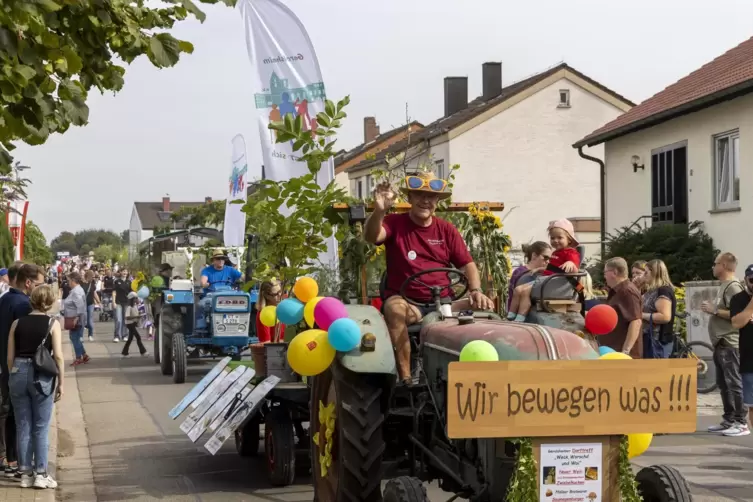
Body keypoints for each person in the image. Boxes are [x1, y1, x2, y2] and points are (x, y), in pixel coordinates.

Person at [363, 172, 494, 384]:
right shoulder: (394, 223)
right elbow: (372, 236)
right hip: (409, 303)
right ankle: (406, 378)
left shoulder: (446, 229)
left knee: (486, 308)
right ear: (410, 198)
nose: (425, 200)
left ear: (437, 201)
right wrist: (379, 211)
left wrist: (476, 290)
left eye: (431, 196)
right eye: (420, 194)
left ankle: (482, 378)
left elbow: (467, 264)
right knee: (394, 309)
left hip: (445, 304)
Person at [6, 284, 63, 489]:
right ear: (49, 302)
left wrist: (14, 375)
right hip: (42, 377)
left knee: (23, 425)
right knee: (40, 427)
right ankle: (41, 473)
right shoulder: (53, 324)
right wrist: (61, 383)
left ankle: (25, 474)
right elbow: (58, 356)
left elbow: (10, 357)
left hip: (18, 372)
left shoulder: (17, 324)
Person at [0, 263, 45, 478]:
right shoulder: (23, 305)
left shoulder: (4, 300)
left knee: (9, 413)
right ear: (28, 283)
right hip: (19, 366)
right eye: (39, 284)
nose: (41, 289)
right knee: (24, 418)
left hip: (5, 364)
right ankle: (19, 461)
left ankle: (9, 458)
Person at [702, 252, 747, 435]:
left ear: (724, 265)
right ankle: (729, 419)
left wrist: (714, 310)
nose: (713, 267)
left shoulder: (733, 287)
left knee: (734, 382)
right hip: (721, 343)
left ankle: (740, 422)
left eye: (715, 263)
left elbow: (741, 315)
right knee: (723, 383)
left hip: (730, 342)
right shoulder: (724, 286)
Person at [507, 219, 581, 322]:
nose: (555, 240)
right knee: (518, 289)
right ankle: (511, 314)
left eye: (560, 237)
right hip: (546, 281)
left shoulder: (570, 253)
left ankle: (521, 317)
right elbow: (553, 268)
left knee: (524, 292)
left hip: (553, 285)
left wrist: (571, 263)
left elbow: (574, 266)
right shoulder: (556, 253)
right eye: (552, 238)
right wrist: (540, 269)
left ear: (569, 239)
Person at [601, 258, 643, 358]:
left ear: (614, 272)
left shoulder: (627, 291)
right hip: (614, 350)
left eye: (605, 272)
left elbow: (636, 321)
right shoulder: (618, 291)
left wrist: (625, 351)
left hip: (622, 354)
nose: (604, 276)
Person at [730, 265, 753, 437]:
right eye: (752, 280)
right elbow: (737, 322)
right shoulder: (739, 299)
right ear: (745, 279)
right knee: (752, 405)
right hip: (749, 358)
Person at [507, 241, 552, 311]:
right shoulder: (519, 272)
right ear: (534, 255)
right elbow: (512, 295)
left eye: (550, 259)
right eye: (546, 257)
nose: (548, 261)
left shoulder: (545, 273)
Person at [63, 272, 89, 366]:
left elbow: (80, 306)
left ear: (73, 281)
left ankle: (78, 357)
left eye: (69, 281)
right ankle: (84, 354)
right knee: (75, 337)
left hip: (75, 318)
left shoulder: (76, 291)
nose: (68, 283)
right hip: (76, 317)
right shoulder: (76, 290)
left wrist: (76, 318)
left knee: (74, 337)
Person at [122, 292, 148, 357]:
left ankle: (125, 352)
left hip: (133, 324)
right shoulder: (129, 307)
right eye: (135, 298)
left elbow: (135, 313)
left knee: (130, 339)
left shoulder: (135, 306)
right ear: (132, 299)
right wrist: (136, 317)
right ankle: (143, 352)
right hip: (130, 324)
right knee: (138, 337)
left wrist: (139, 313)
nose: (137, 299)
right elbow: (127, 317)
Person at [113, 269, 131, 342]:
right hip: (118, 302)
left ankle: (125, 335)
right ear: (120, 272)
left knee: (125, 320)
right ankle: (117, 335)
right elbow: (114, 292)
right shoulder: (117, 281)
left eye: (126, 271)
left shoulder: (129, 282)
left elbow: (132, 292)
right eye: (123, 271)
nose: (125, 272)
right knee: (118, 320)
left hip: (127, 303)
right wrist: (114, 302)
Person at [81, 271, 100, 342]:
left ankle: (90, 335)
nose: (93, 278)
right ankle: (81, 336)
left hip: (90, 304)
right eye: (92, 277)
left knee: (90, 321)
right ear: (88, 276)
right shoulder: (81, 283)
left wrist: (99, 302)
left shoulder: (92, 284)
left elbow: (95, 294)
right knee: (82, 321)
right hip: (82, 304)